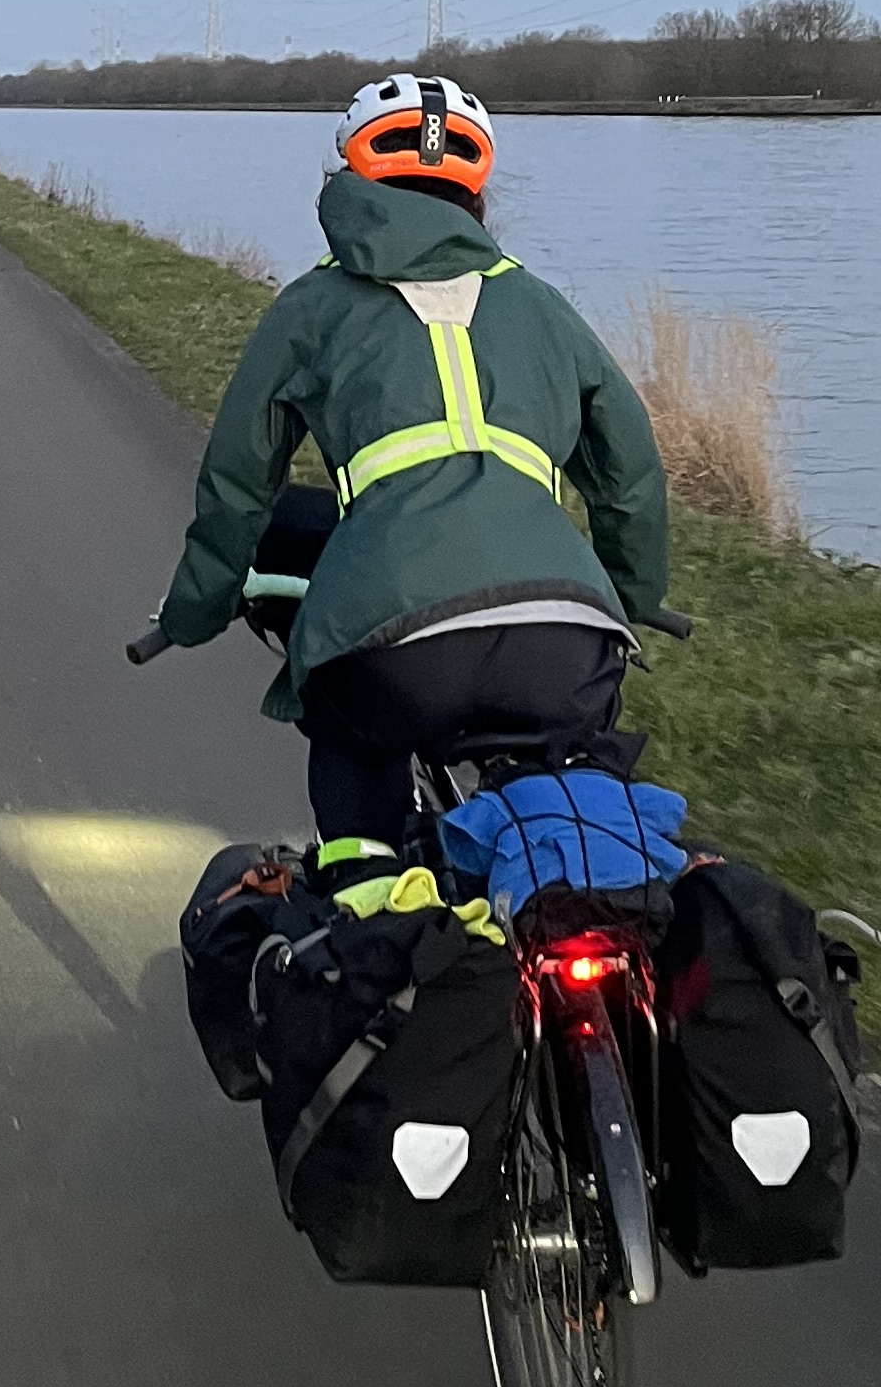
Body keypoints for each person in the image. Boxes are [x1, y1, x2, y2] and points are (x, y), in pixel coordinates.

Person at [139, 74, 671, 875]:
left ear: (347, 184)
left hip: (392, 648)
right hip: (567, 642)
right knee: (573, 820)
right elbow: (630, 477)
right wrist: (630, 601)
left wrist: (196, 609)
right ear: (478, 199)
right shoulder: (543, 305)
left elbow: (237, 485)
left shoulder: (312, 306)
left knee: (353, 744)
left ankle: (364, 889)